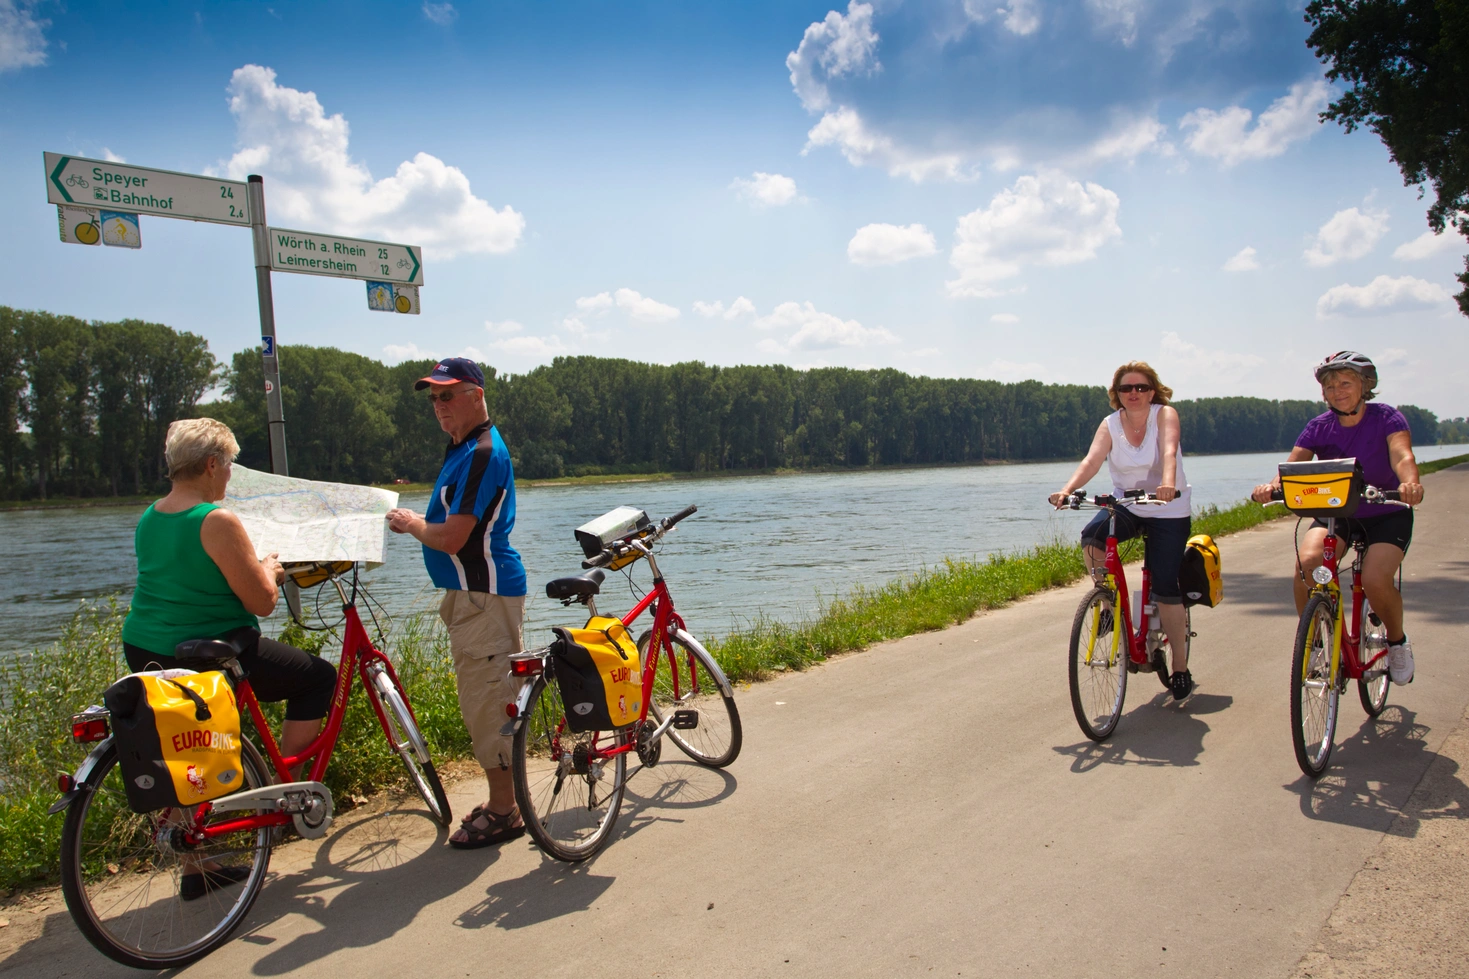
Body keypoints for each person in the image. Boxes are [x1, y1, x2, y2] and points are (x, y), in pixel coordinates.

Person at [121, 418, 338, 898]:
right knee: (318, 678)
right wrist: (270, 569)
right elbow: (260, 602)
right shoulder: (216, 520)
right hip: (210, 648)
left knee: (183, 743)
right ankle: (287, 791)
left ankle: (198, 863)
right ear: (212, 464)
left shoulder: (152, 515)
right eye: (230, 466)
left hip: (146, 645)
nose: (230, 477)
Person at [386, 358, 529, 850]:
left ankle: (506, 810)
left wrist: (410, 525)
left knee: (489, 703)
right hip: (474, 597)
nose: (438, 406)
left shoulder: (482, 451)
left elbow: (451, 537)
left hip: (484, 595)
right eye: (433, 398)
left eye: (447, 395)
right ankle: (504, 800)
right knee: (484, 699)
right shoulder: (462, 448)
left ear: (476, 395)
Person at [1251, 351, 1424, 684]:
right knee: (1308, 564)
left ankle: (1397, 641)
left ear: (1365, 385)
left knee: (1374, 579)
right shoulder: (1319, 426)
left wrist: (1409, 483)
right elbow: (1292, 466)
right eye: (1330, 386)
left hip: (1387, 511)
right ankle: (1316, 644)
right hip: (1337, 514)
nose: (1337, 391)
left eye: (1346, 382)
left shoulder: (1387, 418)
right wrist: (1271, 487)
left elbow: (1402, 454)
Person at [1049, 362, 1195, 700]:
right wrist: (1067, 489)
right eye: (1126, 388)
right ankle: (1112, 608)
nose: (1134, 394)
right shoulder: (1110, 424)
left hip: (1167, 508)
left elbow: (1169, 451)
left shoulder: (1164, 415)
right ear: (1117, 394)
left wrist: (1168, 483)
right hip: (1127, 504)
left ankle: (1181, 669)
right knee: (1092, 540)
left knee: (1165, 587)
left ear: (1152, 391)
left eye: (1141, 388)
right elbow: (1092, 460)